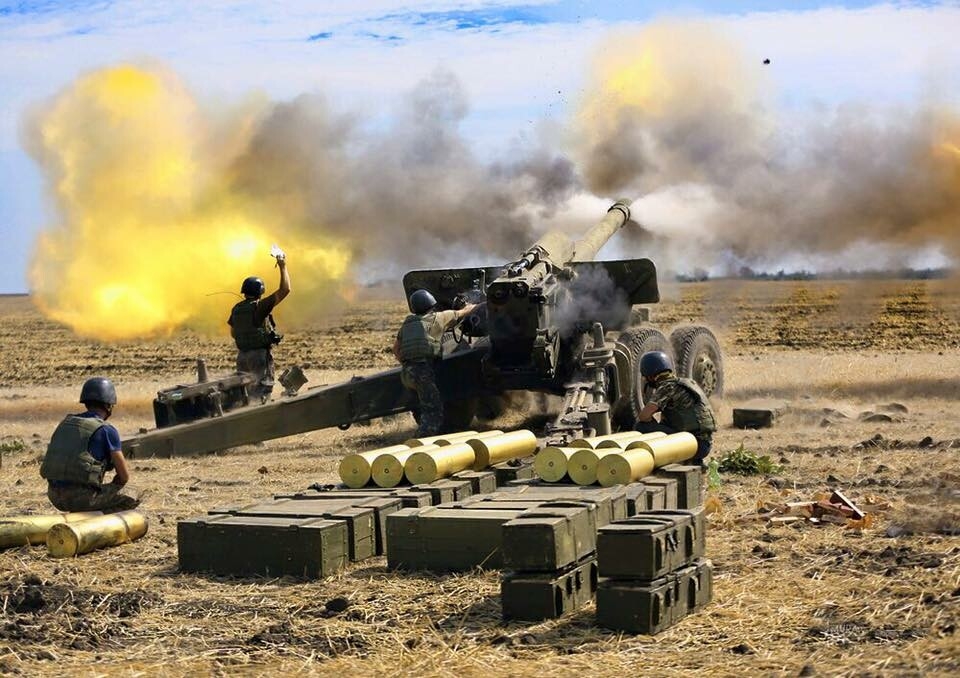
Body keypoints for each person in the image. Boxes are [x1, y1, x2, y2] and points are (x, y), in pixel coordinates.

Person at [40, 377, 139, 513]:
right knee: (133, 495)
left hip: (54, 495)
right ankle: (97, 522)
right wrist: (112, 486)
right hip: (82, 498)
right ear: (109, 405)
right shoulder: (107, 430)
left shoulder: (66, 423)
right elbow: (124, 477)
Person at [393, 289, 476, 436]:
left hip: (406, 375)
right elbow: (464, 312)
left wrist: (409, 364)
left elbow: (396, 350)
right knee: (433, 411)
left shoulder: (407, 324)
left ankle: (429, 433)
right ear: (431, 304)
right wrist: (477, 304)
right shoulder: (439, 318)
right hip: (422, 373)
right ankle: (421, 439)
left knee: (423, 403)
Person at [635, 351, 717, 466]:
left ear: (651, 376)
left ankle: (653, 460)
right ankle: (692, 460)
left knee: (642, 426)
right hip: (704, 445)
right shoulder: (687, 383)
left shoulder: (667, 387)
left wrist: (651, 421)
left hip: (693, 445)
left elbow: (644, 416)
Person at [228, 252, 291, 402]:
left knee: (246, 395)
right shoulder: (260, 306)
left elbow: (233, 333)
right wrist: (282, 266)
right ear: (260, 291)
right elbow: (285, 290)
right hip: (258, 356)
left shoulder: (237, 309)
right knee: (262, 394)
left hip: (242, 357)